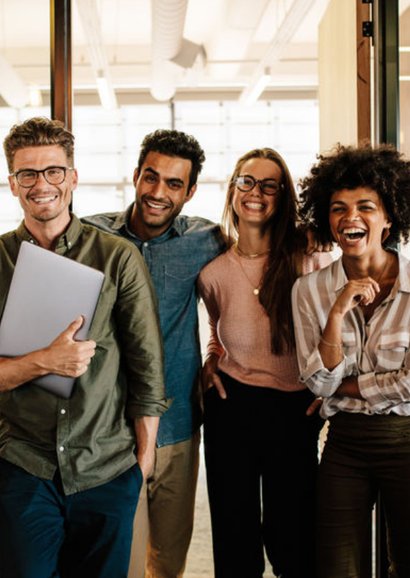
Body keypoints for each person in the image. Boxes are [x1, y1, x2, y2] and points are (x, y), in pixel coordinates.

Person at [0, 117, 168, 578]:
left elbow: (147, 367)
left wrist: (143, 459)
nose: (41, 185)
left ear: (72, 178)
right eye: (27, 174)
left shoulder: (117, 257)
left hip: (106, 465)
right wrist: (43, 363)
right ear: (12, 183)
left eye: (53, 171)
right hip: (23, 465)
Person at [83, 129, 225, 578]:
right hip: (109, 429)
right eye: (151, 177)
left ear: (191, 190)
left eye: (174, 183)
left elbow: (249, 282)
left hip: (178, 424)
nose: (158, 192)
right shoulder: (90, 237)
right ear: (136, 175)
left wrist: (219, 352)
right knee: (116, 557)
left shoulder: (206, 240)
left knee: (167, 559)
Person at [197, 147, 329, 578]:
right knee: (234, 535)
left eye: (269, 185)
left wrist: (331, 389)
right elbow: (219, 330)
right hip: (232, 405)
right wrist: (212, 361)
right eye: (247, 182)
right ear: (234, 190)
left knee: (292, 535)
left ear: (282, 195)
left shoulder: (309, 253)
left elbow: (337, 326)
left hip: (295, 408)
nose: (256, 193)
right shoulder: (213, 271)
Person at [292, 143, 410, 578]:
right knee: (336, 566)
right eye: (338, 208)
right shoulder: (309, 291)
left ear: (389, 217)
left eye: (365, 206)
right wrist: (338, 310)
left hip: (406, 440)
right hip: (344, 443)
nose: (350, 218)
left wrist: (346, 385)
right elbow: (318, 385)